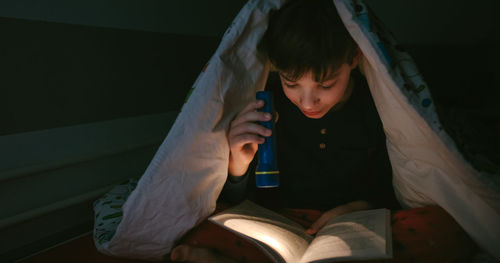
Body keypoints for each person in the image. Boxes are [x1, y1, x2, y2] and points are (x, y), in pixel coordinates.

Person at [169, 0, 473, 262]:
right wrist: (237, 165)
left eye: (325, 85)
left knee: (445, 226)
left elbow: (396, 181)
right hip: (280, 222)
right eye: (291, 83)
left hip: (353, 223)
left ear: (353, 59)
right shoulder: (267, 104)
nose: (307, 101)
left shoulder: (376, 106)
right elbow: (237, 198)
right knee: (194, 226)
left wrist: (362, 206)